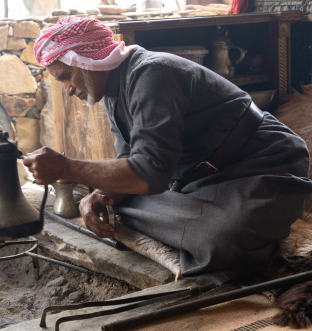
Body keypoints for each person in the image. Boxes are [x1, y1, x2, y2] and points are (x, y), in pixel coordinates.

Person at [22, 16, 312, 284]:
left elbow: (147, 175)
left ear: (85, 60)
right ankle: (201, 219)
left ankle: (226, 228)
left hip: (265, 166)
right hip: (202, 180)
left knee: (221, 241)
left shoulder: (152, 73)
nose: (68, 90)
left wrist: (67, 168)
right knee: (114, 202)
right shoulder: (113, 91)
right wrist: (100, 194)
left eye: (63, 76)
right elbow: (129, 162)